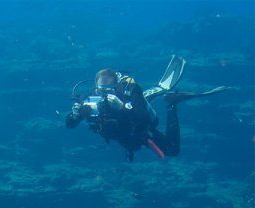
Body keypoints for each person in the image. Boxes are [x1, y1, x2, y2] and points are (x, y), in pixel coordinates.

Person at [66, 56, 230, 161]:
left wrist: (121, 107)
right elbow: (70, 124)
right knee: (137, 105)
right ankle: (148, 99)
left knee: (172, 150)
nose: (105, 93)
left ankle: (171, 103)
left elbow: (142, 118)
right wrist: (74, 115)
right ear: (96, 87)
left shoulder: (130, 90)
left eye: (109, 88)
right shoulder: (93, 98)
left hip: (141, 130)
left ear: (117, 85)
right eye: (101, 89)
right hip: (123, 136)